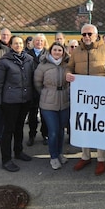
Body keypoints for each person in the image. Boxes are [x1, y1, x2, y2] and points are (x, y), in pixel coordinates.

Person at [66, 23, 105, 176]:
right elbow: (69, 67)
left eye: (90, 34)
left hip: (101, 97)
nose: (87, 37)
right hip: (82, 97)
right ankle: (85, 156)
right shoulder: (76, 52)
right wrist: (67, 74)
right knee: (84, 126)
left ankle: (101, 159)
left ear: (96, 35)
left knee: (100, 127)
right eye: (84, 34)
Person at [0, 36, 36, 172]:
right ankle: (6, 159)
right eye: (15, 43)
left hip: (25, 100)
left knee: (19, 127)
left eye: (20, 43)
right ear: (10, 45)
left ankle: (18, 151)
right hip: (10, 101)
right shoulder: (4, 62)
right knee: (8, 130)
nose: (18, 45)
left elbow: (32, 79)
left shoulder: (29, 60)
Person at [34, 42, 70, 170]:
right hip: (48, 104)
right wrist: (47, 93)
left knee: (61, 131)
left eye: (59, 50)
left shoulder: (67, 65)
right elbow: (37, 83)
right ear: (50, 51)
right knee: (53, 131)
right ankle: (53, 157)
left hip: (64, 102)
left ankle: (59, 153)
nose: (57, 52)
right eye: (55, 50)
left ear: (63, 52)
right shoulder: (43, 66)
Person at [25, 33, 48, 146]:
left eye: (41, 41)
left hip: (45, 89)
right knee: (32, 114)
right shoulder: (27, 54)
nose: (39, 43)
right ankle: (32, 135)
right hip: (32, 88)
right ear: (33, 42)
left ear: (44, 43)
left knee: (45, 114)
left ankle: (45, 134)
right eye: (37, 41)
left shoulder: (48, 54)